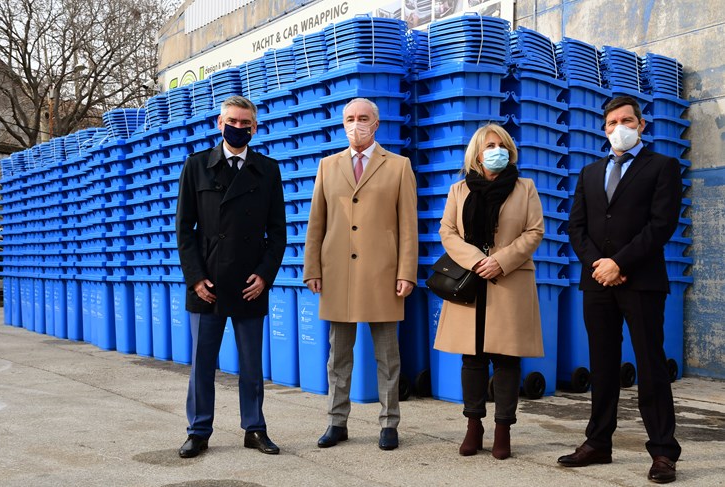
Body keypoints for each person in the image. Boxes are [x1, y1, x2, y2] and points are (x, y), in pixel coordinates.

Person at [559, 96, 682, 484]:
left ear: (641, 125)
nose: (619, 127)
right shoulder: (590, 173)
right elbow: (575, 227)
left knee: (650, 364)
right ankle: (598, 442)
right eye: (612, 122)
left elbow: (661, 225)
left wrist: (620, 264)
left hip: (641, 281)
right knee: (603, 365)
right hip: (597, 282)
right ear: (604, 128)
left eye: (627, 120)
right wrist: (599, 265)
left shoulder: (662, 167)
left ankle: (663, 451)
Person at [303, 98, 418, 451]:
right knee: (337, 355)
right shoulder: (327, 166)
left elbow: (407, 226)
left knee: (388, 356)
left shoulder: (398, 166)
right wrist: (312, 268)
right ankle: (337, 422)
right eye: (350, 119)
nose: (357, 124)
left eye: (363, 118)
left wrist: (406, 272)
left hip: (382, 274)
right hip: (337, 273)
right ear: (343, 124)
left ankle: (389, 424)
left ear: (377, 123)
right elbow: (316, 222)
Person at [175, 95, 287, 458]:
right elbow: (184, 230)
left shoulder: (268, 170)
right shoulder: (196, 166)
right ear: (220, 124)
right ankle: (198, 430)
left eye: (246, 123)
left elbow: (278, 232)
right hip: (206, 283)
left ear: (255, 127)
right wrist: (195, 278)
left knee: (252, 365)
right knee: (201, 364)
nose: (239, 128)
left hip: (249, 284)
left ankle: (254, 428)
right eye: (232, 122)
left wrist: (264, 276)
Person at [433, 123, 544, 460]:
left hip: (508, 281)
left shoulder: (525, 188)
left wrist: (501, 260)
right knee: (473, 357)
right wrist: (479, 259)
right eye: (488, 145)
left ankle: (503, 428)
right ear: (477, 155)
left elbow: (534, 231)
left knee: (507, 358)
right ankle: (473, 425)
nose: (496, 150)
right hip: (470, 281)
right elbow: (448, 232)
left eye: (501, 144)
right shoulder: (458, 190)